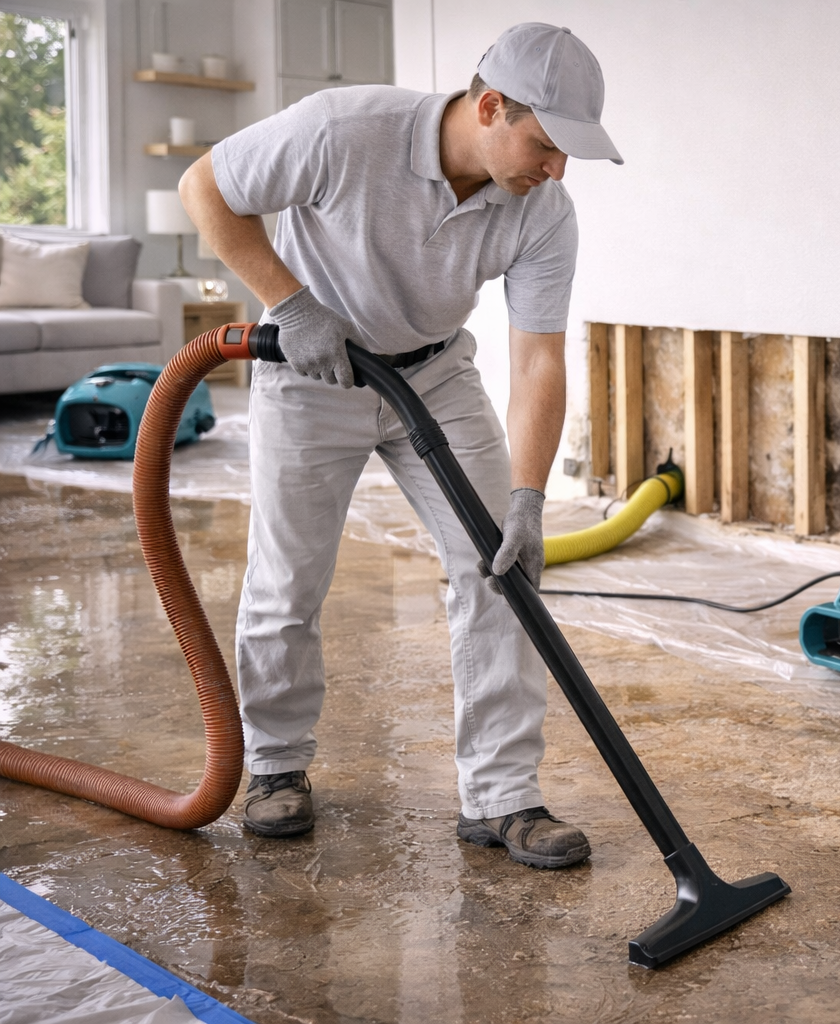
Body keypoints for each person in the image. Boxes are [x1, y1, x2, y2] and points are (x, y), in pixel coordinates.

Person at [179, 23, 621, 868]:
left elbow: (535, 359)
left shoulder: (541, 211)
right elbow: (205, 187)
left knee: (500, 565)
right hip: (310, 370)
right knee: (288, 577)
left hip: (434, 376)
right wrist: (291, 302)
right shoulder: (345, 129)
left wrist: (528, 498)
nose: (557, 169)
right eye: (548, 144)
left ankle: (500, 797)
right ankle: (274, 767)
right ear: (491, 107)